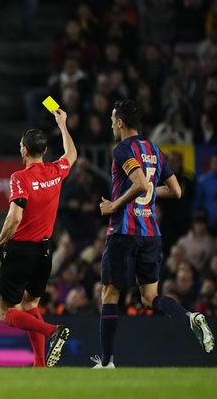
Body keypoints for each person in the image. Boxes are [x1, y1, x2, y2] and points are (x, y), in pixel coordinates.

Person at [94, 99, 214, 369]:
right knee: (150, 298)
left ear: (121, 122)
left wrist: (114, 204)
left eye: (113, 120)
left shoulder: (122, 148)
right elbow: (175, 191)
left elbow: (138, 183)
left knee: (110, 294)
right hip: (151, 233)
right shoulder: (154, 150)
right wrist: (149, 192)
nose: (112, 124)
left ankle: (106, 363)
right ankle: (189, 317)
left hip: (124, 231)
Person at [0, 109, 77, 368]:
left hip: (20, 251)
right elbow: (72, 154)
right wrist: (63, 124)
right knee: (30, 302)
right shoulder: (56, 171)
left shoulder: (20, 178)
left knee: (5, 313)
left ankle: (52, 331)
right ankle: (39, 364)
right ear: (45, 150)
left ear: (24, 150)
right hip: (45, 251)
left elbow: (14, 217)